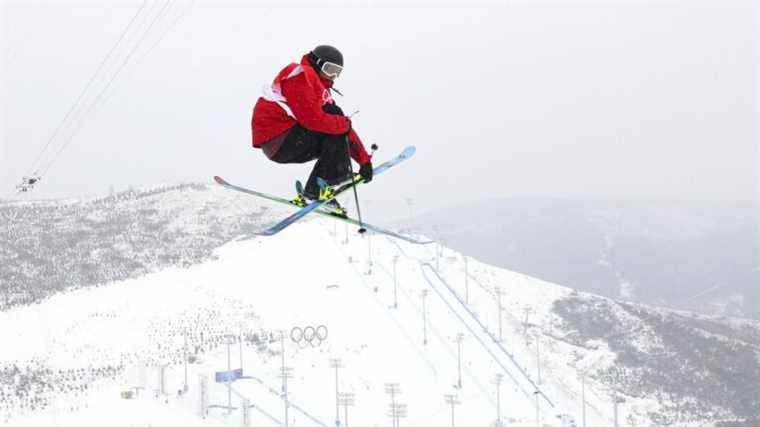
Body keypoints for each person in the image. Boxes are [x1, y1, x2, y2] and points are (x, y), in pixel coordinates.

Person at [251, 45, 373, 215]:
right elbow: (313, 120)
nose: (333, 76)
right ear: (317, 63)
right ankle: (326, 184)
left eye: (337, 72)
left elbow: (340, 127)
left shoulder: (321, 90)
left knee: (335, 125)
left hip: (287, 144)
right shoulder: (301, 74)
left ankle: (314, 191)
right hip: (279, 137)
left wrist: (363, 160)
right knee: (334, 120)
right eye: (329, 69)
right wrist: (344, 125)